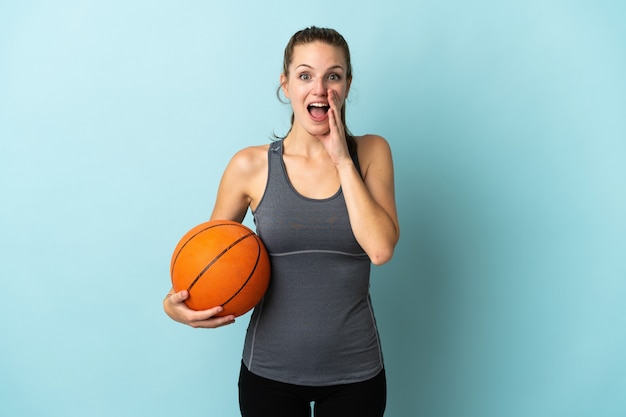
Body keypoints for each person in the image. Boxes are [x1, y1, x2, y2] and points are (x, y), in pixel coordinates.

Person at [163, 26, 399, 417]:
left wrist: (342, 159)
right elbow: (207, 265)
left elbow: (380, 248)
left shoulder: (372, 152)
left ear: (347, 84)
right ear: (286, 85)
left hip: (356, 375)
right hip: (268, 375)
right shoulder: (249, 167)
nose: (320, 88)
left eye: (333, 76)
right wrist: (174, 306)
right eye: (305, 75)